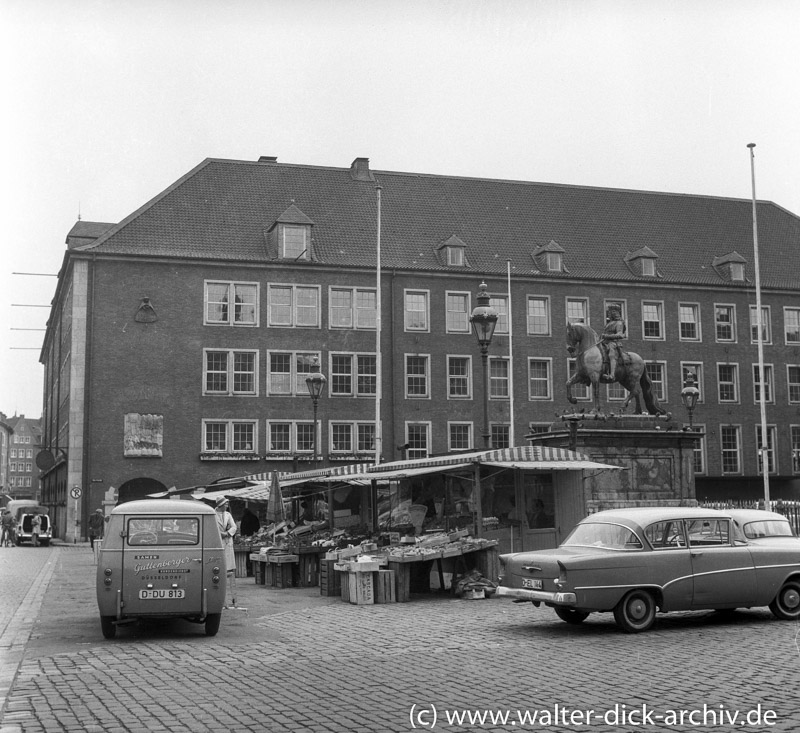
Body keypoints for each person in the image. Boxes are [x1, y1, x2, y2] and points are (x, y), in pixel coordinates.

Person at [215, 497, 237, 607]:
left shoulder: (228, 515)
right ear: (220, 505)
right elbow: (213, 528)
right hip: (218, 542)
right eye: (225, 504)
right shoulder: (213, 514)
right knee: (220, 570)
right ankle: (222, 601)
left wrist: (228, 533)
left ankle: (232, 600)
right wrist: (221, 534)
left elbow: (234, 526)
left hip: (228, 542)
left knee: (229, 571)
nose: (227, 506)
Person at [599, 305, 626, 383]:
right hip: (604, 342)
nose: (609, 314)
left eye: (611, 312)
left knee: (611, 354)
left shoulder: (619, 323)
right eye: (609, 312)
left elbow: (620, 335)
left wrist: (607, 336)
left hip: (614, 343)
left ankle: (612, 375)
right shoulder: (609, 323)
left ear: (615, 313)